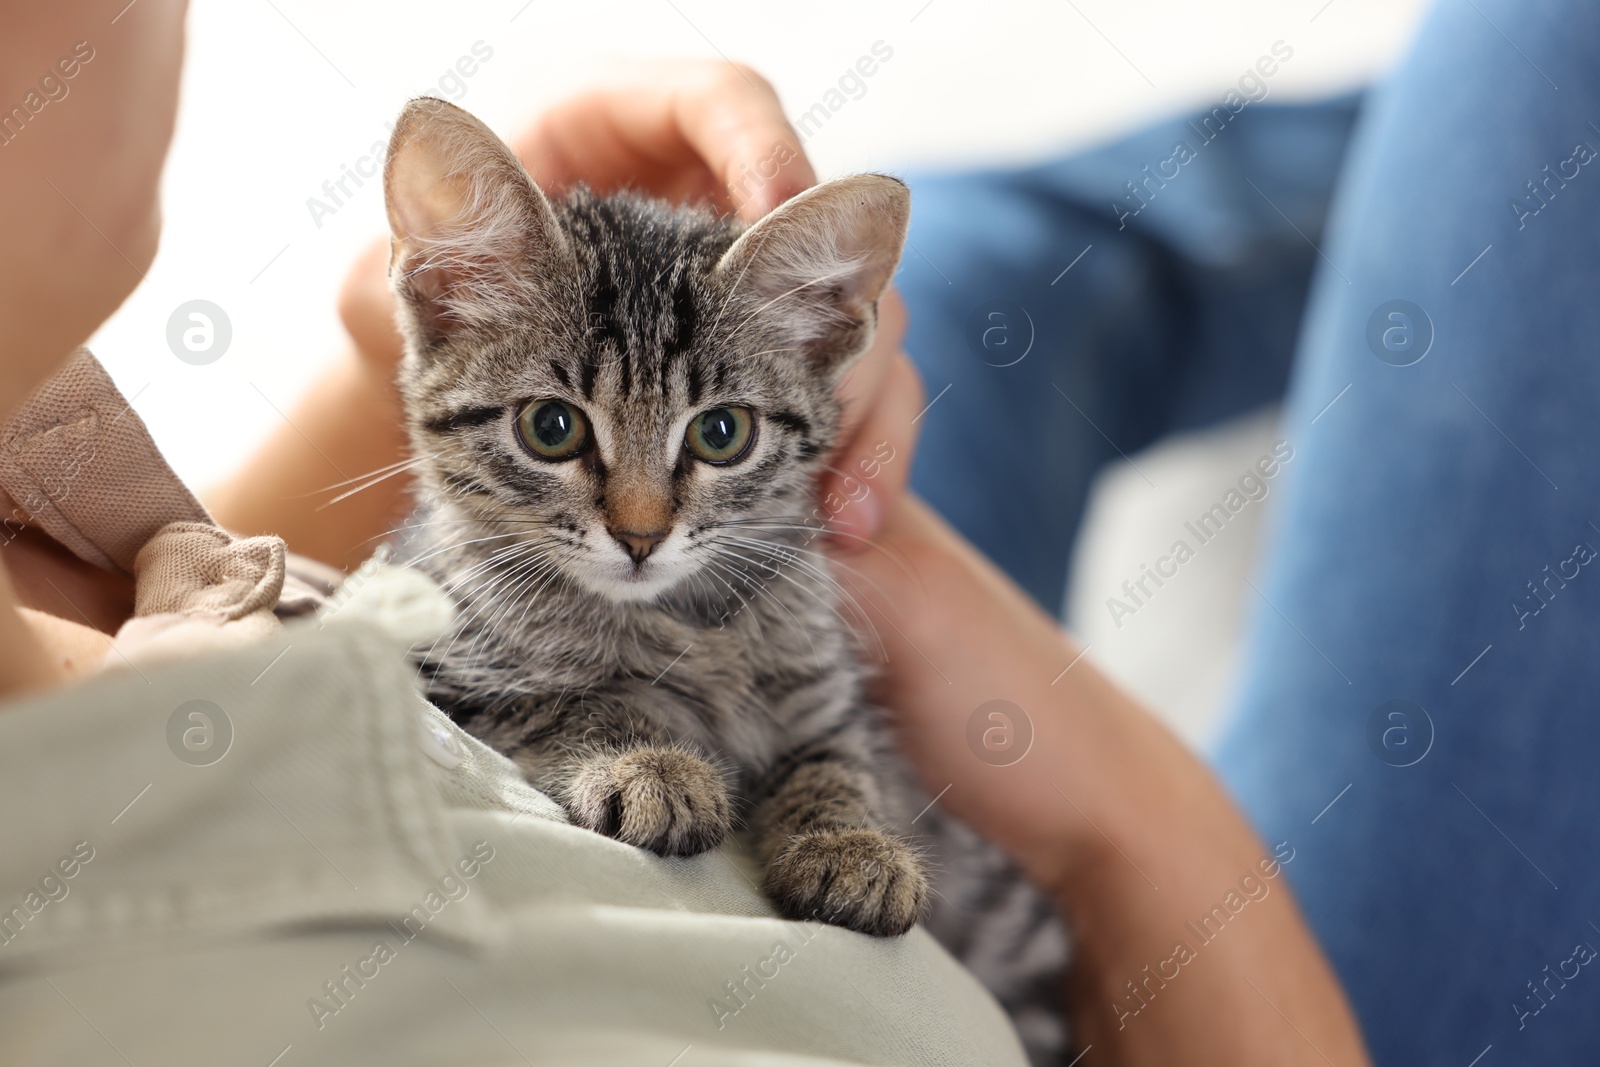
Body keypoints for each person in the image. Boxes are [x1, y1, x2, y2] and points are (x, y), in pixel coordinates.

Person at [0, 2, 1370, 1064]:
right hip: (1183, 969)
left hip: (816, 588)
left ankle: (1376, 174)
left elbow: (229, 606)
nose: (641, 522)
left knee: (973, 254)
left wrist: (402, 362)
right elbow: (443, 693)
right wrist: (1138, 815)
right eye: (564, 439)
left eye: (703, 447)